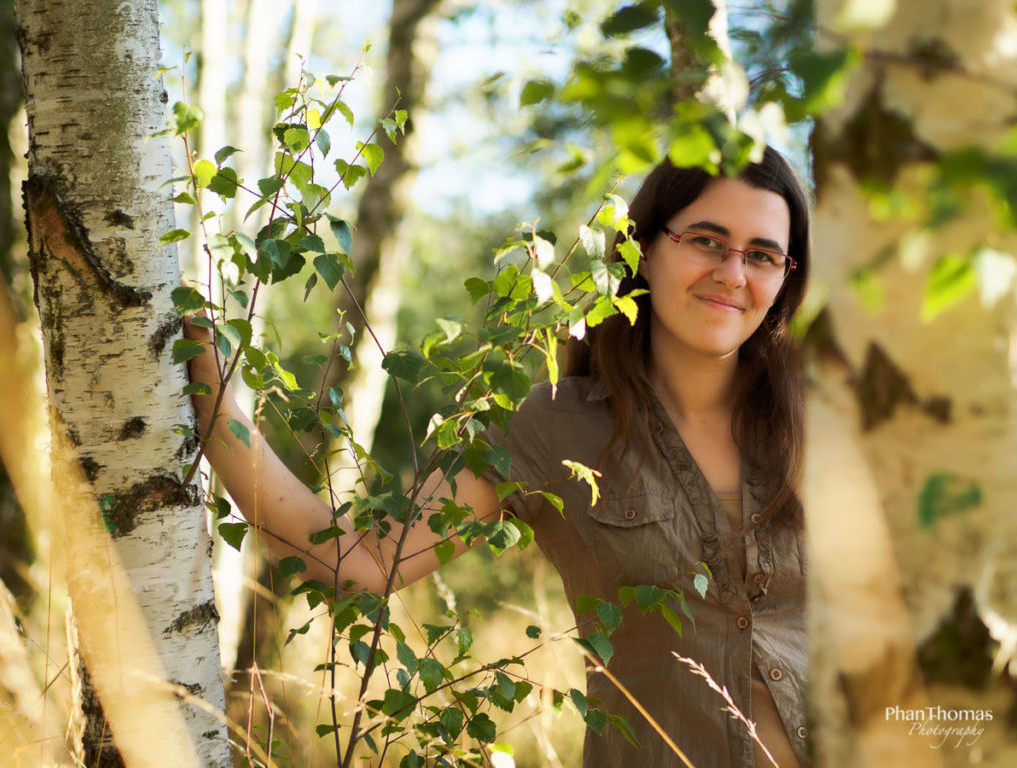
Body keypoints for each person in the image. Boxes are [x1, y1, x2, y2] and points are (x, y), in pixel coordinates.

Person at [186, 146, 810, 768]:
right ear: (642, 249)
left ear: (786, 275)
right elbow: (361, 561)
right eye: (707, 240)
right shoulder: (555, 425)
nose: (734, 273)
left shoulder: (828, 422)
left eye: (762, 255)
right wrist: (216, 401)